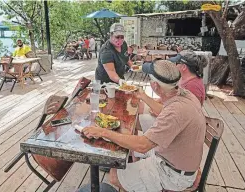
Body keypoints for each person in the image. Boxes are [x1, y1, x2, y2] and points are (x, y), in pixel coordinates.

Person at [82, 60, 206, 191]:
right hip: (179, 158)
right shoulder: (184, 94)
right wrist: (142, 96)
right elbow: (162, 112)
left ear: (155, 85)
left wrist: (103, 132)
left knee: (114, 175)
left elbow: (143, 146)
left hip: (173, 174)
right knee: (137, 122)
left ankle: (139, 181)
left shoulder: (175, 112)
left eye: (150, 79)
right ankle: (137, 171)